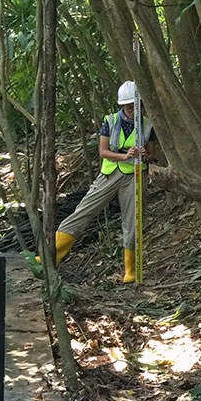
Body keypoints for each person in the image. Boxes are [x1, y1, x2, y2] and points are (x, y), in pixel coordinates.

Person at [49, 80, 157, 283]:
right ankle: (51, 257)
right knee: (83, 211)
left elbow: (153, 155)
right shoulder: (110, 121)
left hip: (135, 176)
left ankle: (130, 270)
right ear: (122, 106)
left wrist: (145, 155)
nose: (132, 111)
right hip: (110, 173)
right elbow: (103, 151)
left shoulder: (147, 125)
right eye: (128, 107)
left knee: (134, 223)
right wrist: (124, 156)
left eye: (135, 107)